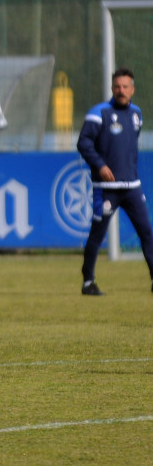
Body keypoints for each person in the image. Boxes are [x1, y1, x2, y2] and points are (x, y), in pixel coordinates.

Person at [77, 67, 153, 296]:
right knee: (97, 235)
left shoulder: (137, 114)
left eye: (125, 87)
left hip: (131, 187)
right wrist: (100, 165)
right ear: (112, 88)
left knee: (147, 232)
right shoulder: (98, 113)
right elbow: (84, 143)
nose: (121, 91)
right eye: (117, 87)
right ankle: (88, 282)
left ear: (132, 89)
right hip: (106, 189)